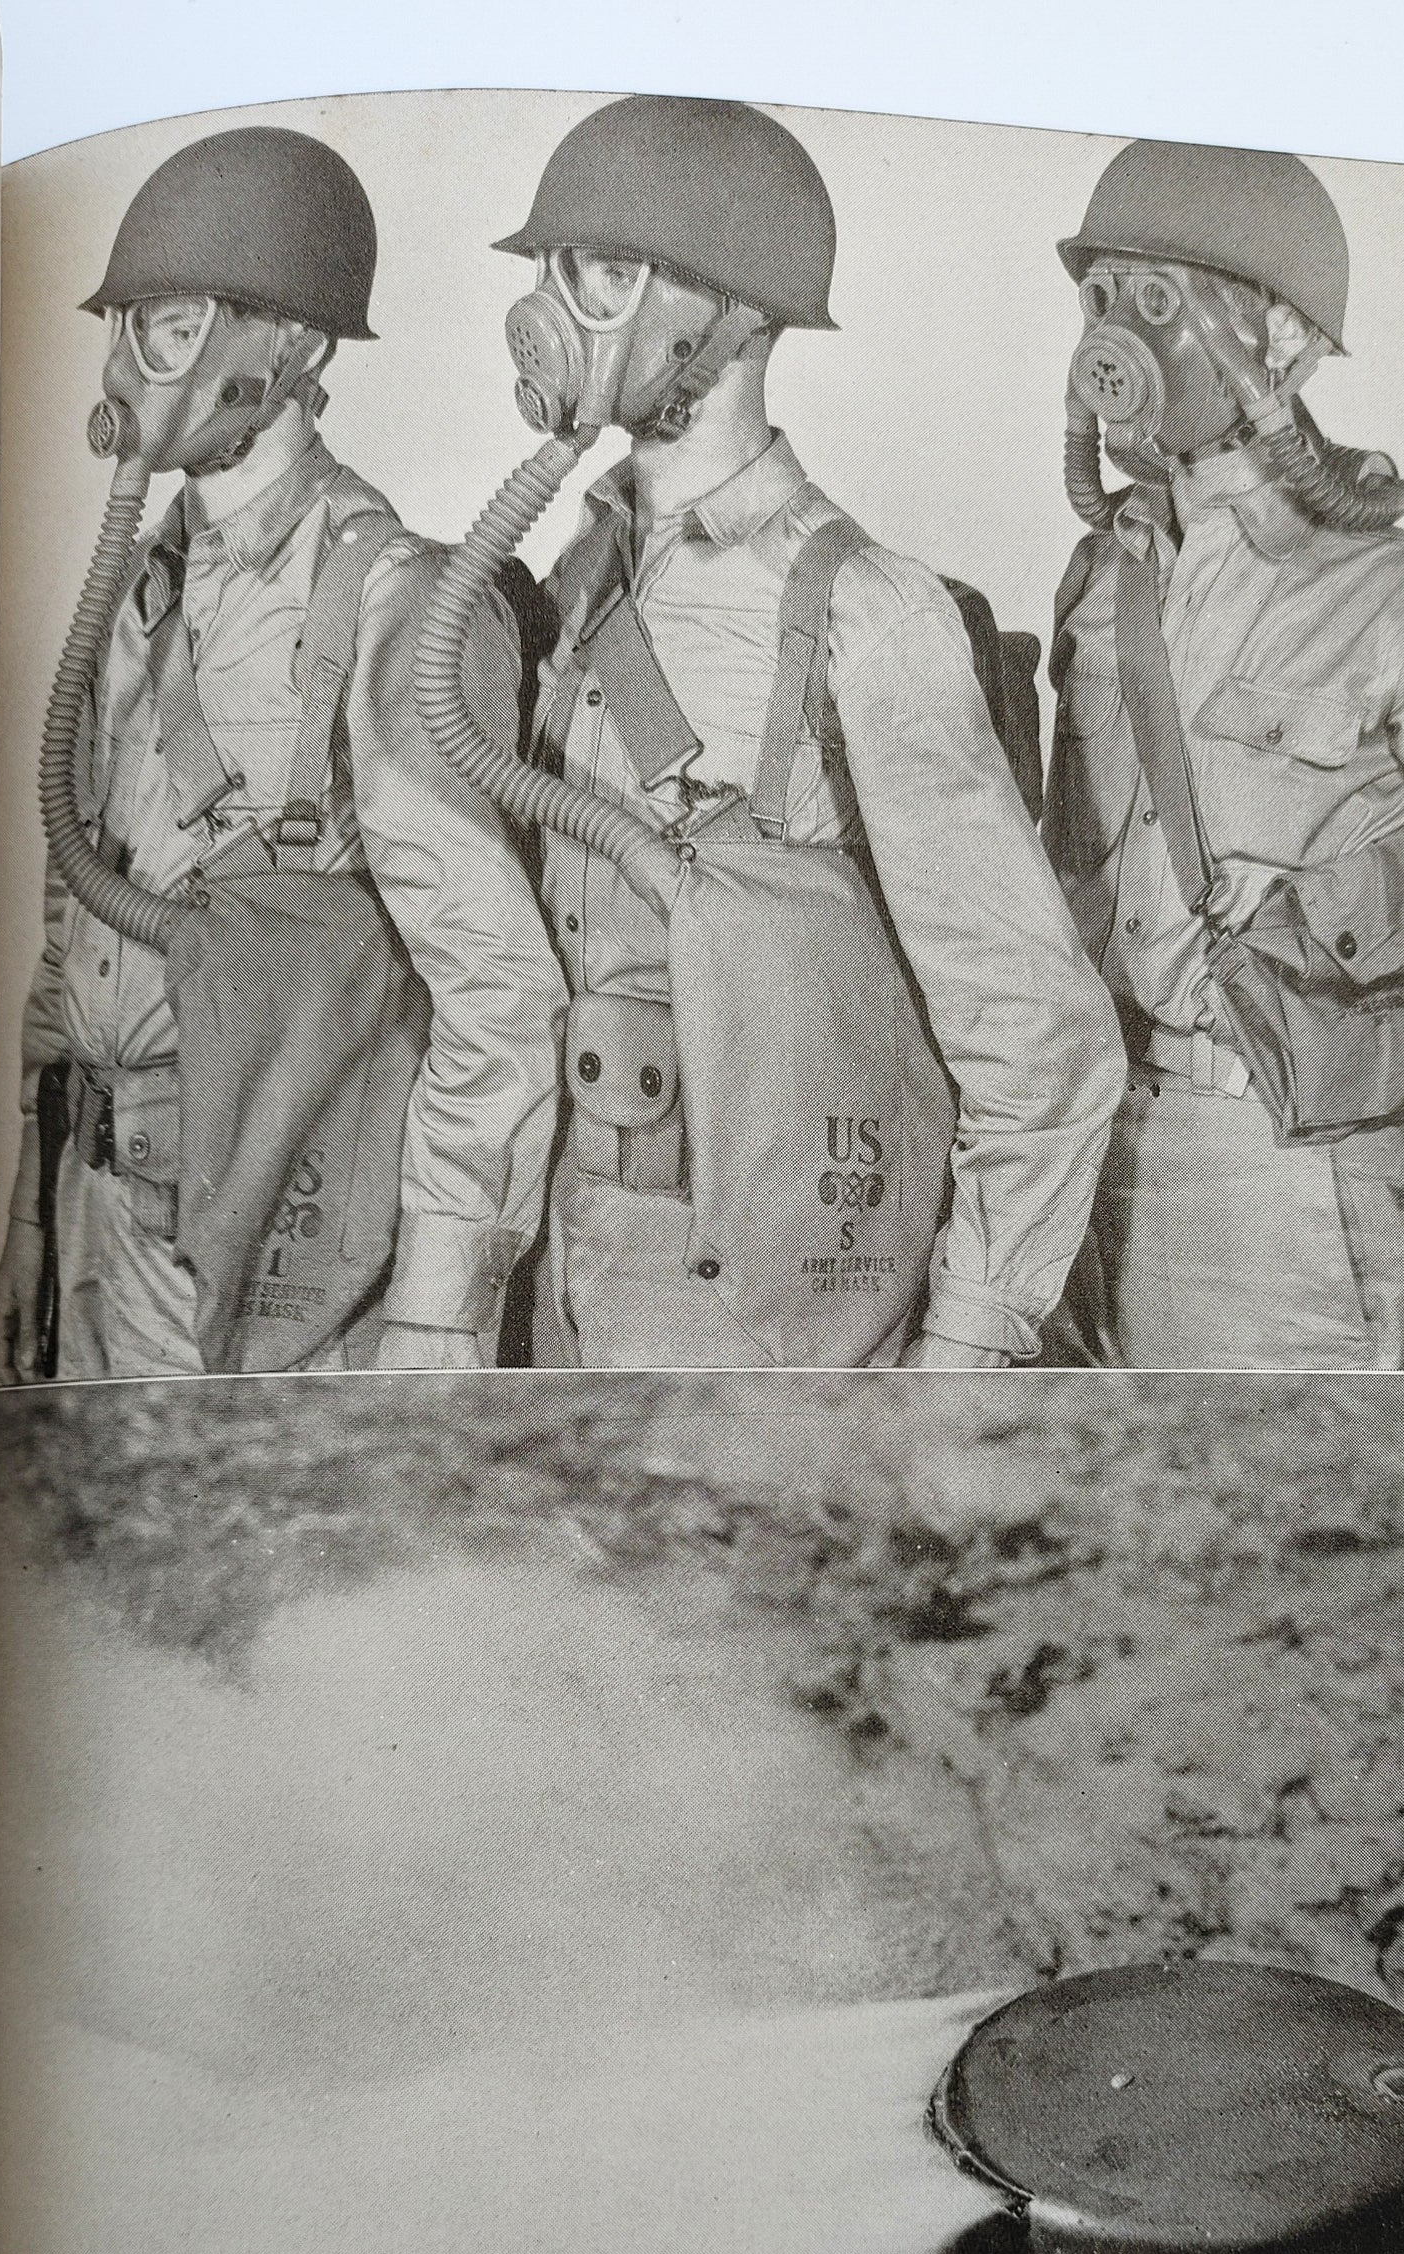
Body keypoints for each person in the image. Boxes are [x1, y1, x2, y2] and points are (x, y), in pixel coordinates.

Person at [417, 95, 1124, 1370]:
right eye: (563, 274)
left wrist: (964, 1351)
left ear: (729, 314)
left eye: (610, 276)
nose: (564, 313)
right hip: (562, 1265)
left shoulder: (863, 611)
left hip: (767, 1296)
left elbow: (1042, 1039)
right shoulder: (576, 587)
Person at [0, 127, 564, 1384]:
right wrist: (31, 1212)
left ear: (293, 348)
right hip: (102, 1212)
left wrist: (436, 1297)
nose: (135, 360)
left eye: (176, 321)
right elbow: (75, 909)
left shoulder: (391, 599)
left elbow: (492, 982)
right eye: (129, 320)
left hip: (282, 1237)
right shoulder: (141, 587)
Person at [1044, 139, 1404, 1371]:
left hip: (1290, 1194)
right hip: (1087, 1178)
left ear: (1279, 340)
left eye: (1159, 301)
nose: (1116, 334)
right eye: (1101, 297)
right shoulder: (1103, 583)